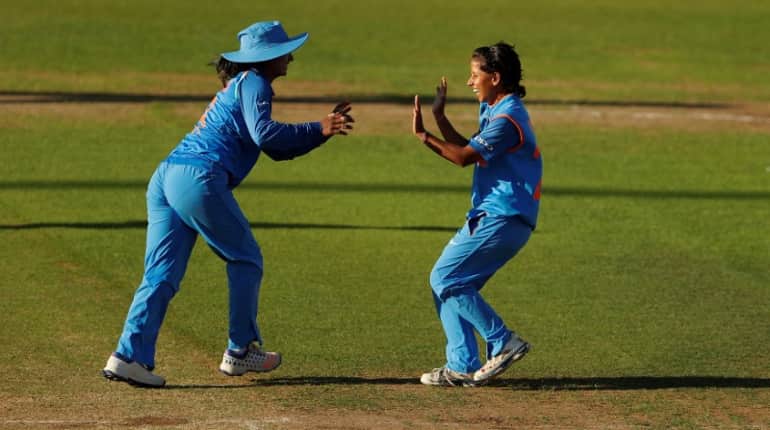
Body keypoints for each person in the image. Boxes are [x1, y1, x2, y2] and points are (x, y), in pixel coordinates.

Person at [102, 20, 354, 387]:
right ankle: (240, 351)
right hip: (198, 179)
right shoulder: (255, 83)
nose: (291, 57)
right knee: (246, 257)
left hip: (167, 176)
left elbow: (272, 149)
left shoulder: (241, 84)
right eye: (285, 52)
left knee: (160, 275)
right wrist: (318, 127)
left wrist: (321, 133)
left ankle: (128, 357)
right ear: (267, 57)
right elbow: (265, 134)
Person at [412, 42, 541, 387]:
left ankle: (503, 341)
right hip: (498, 217)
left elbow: (463, 158)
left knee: (446, 278)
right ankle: (462, 365)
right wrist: (440, 118)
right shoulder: (498, 110)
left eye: (474, 75)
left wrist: (425, 136)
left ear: (495, 78)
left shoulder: (506, 119)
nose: (469, 83)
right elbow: (470, 148)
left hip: (502, 217)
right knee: (450, 285)